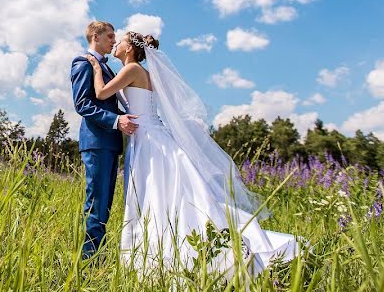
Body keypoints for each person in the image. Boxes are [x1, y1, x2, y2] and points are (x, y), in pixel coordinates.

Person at [85, 32, 299, 277]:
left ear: (130, 48)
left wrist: (96, 67)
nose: (117, 44)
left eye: (120, 40)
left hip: (149, 140)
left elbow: (101, 93)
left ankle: (161, 255)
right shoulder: (142, 72)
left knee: (154, 195)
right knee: (160, 196)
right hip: (149, 136)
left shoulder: (132, 69)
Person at [70, 21, 140, 259]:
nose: (113, 40)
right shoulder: (82, 63)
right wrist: (116, 120)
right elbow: (83, 104)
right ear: (95, 37)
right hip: (97, 142)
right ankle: (89, 261)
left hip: (110, 144)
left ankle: (96, 255)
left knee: (105, 204)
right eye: (109, 36)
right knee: (96, 202)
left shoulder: (106, 68)